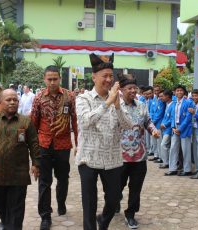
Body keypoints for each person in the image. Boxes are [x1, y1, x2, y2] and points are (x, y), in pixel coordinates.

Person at [75, 53, 132, 230]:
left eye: (110, 76)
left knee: (114, 199)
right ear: (94, 77)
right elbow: (85, 122)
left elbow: (128, 125)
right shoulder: (83, 99)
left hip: (112, 158)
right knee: (89, 203)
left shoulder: (118, 99)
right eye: (104, 76)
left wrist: (116, 105)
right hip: (89, 158)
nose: (108, 80)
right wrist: (107, 102)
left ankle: (104, 221)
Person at [0, 89, 40, 230]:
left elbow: (34, 143)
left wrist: (36, 163)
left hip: (18, 174)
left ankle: (12, 226)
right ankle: (5, 221)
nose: (12, 102)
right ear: (0, 102)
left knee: (17, 208)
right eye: (8, 100)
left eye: (15, 100)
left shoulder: (25, 121)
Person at [31, 65, 78, 230]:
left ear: (60, 79)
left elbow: (75, 121)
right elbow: (33, 125)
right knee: (44, 181)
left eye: (55, 79)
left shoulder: (69, 96)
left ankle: (61, 202)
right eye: (49, 79)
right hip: (44, 144)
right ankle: (45, 215)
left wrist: (78, 143)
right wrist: (32, 153)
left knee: (63, 178)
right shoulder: (38, 98)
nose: (52, 82)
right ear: (44, 79)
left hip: (63, 145)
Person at [117, 74, 159, 229]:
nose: (133, 91)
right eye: (129, 88)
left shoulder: (141, 105)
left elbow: (148, 121)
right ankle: (114, 201)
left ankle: (130, 214)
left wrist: (153, 130)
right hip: (120, 156)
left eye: (134, 88)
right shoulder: (116, 106)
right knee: (116, 188)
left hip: (139, 156)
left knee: (136, 188)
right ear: (121, 90)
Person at [165, 85, 194, 176]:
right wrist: (173, 127)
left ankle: (187, 170)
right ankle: (172, 168)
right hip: (175, 127)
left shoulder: (189, 102)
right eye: (177, 90)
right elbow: (173, 116)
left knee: (186, 150)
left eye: (181, 90)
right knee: (173, 148)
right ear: (175, 92)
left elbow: (188, 118)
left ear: (184, 92)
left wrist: (180, 129)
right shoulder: (174, 103)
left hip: (184, 128)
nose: (179, 92)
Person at [149, 85, 165, 163]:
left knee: (159, 141)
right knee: (154, 140)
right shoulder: (154, 99)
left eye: (157, 90)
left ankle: (161, 157)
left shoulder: (162, 100)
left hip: (158, 123)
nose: (156, 92)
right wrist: (151, 120)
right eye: (155, 91)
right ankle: (156, 155)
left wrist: (154, 121)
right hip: (152, 123)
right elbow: (151, 111)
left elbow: (160, 113)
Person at [159, 89, 175, 169]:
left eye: (163, 96)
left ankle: (166, 162)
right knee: (166, 145)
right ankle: (167, 161)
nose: (162, 98)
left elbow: (172, 118)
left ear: (168, 96)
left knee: (163, 145)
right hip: (165, 129)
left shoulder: (173, 105)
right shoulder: (167, 105)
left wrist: (164, 124)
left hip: (168, 129)